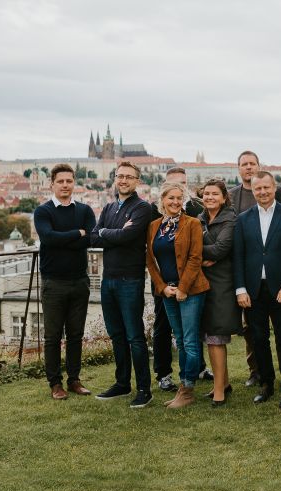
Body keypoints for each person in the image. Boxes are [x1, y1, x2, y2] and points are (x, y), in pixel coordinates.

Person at [233, 171, 281, 408]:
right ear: (252, 191)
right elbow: (238, 256)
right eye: (257, 189)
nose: (262, 192)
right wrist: (240, 289)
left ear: (274, 188)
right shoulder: (243, 219)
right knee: (259, 339)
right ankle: (266, 383)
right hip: (253, 291)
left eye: (266, 187)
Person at [91, 161, 153, 408]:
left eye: (129, 177)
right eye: (120, 176)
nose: (124, 180)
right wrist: (110, 233)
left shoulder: (142, 208)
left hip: (130, 279)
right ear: (115, 179)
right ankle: (122, 383)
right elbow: (93, 237)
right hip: (109, 280)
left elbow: (127, 236)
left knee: (134, 336)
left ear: (137, 181)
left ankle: (144, 389)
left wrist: (107, 233)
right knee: (116, 334)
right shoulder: (108, 207)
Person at [33, 163, 96, 400]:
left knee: (76, 335)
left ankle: (74, 380)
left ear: (74, 183)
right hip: (54, 282)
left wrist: (67, 238)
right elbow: (48, 238)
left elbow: (90, 238)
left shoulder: (85, 210)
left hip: (79, 281)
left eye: (69, 181)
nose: (65, 185)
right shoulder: (43, 211)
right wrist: (77, 234)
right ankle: (55, 383)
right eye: (61, 181)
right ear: (52, 184)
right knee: (52, 336)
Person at [145, 182, 210, 409]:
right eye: (170, 198)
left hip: (190, 290)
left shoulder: (192, 223)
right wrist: (163, 287)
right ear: (162, 200)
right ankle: (184, 386)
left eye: (178, 198)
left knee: (191, 342)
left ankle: (187, 388)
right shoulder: (154, 226)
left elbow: (195, 258)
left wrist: (182, 288)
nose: (175, 202)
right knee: (180, 340)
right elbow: (151, 262)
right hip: (167, 292)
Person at [228, 150, 281, 388]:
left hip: (274, 273)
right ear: (239, 168)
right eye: (244, 164)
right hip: (247, 270)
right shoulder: (231, 195)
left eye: (253, 163)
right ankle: (257, 372)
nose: (249, 167)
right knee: (252, 331)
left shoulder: (278, 193)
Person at [197, 179, 242, 407]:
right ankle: (223, 383)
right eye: (206, 194)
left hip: (223, 285)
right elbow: (188, 243)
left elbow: (221, 249)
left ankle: (218, 392)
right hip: (204, 284)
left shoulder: (231, 219)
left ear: (224, 197)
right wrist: (203, 255)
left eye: (215, 194)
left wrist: (199, 251)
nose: (210, 197)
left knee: (215, 337)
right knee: (210, 337)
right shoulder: (200, 218)